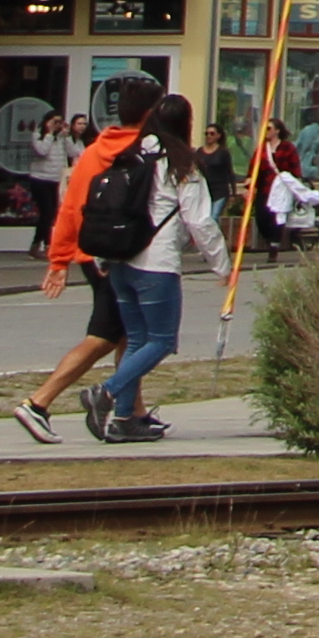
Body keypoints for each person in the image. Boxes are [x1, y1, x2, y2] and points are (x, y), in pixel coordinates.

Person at [8, 78, 162, 446]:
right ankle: (38, 402)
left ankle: (130, 411)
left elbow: (72, 208)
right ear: (150, 113)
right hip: (119, 254)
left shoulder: (94, 151)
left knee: (129, 334)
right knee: (105, 336)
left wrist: (60, 258)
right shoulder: (144, 152)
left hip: (91, 251)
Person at [94, 96, 223, 442]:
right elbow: (199, 221)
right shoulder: (180, 164)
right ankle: (106, 392)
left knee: (136, 339)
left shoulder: (130, 155)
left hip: (122, 259)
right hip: (157, 263)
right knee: (163, 340)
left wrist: (100, 255)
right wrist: (222, 265)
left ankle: (124, 419)